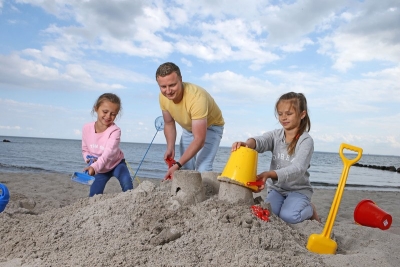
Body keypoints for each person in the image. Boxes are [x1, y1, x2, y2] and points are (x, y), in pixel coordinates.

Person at [231, 92, 320, 224]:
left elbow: (298, 169)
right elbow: (262, 141)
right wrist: (248, 144)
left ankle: (311, 209)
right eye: (280, 113)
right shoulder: (276, 135)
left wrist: (269, 174)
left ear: (302, 114)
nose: (283, 117)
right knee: (271, 215)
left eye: (289, 114)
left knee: (289, 217)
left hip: (298, 190)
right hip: (277, 190)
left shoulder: (305, 140)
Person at [156, 62, 225, 180]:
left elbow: (199, 139)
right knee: (186, 168)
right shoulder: (163, 97)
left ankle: (207, 196)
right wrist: (170, 147)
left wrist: (177, 164)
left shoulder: (197, 98)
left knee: (203, 169)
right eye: (163, 87)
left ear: (181, 80)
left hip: (212, 127)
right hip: (189, 129)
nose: (168, 91)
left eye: (172, 85)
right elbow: (169, 123)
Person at [81, 93, 133, 197]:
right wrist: (88, 160)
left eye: (113, 114)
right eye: (105, 112)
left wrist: (94, 167)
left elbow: (108, 154)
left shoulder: (115, 131)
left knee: (128, 186)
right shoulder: (87, 128)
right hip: (100, 168)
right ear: (96, 108)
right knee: (93, 196)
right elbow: (85, 149)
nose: (108, 116)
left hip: (116, 164)